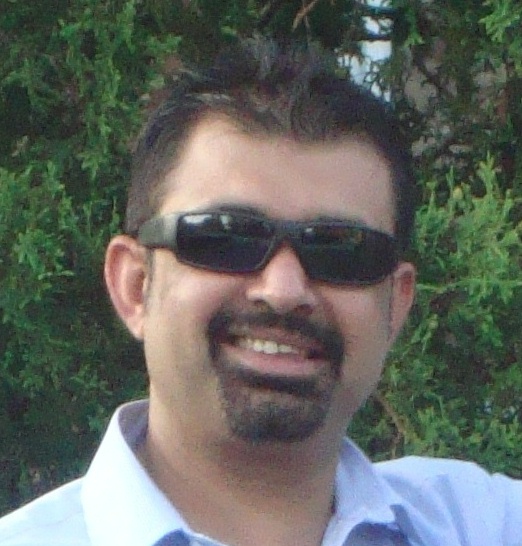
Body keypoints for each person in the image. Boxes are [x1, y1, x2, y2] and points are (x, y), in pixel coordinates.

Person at [1, 38, 521, 546]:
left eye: (339, 249)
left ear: (396, 305)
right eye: (226, 236)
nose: (283, 290)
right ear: (135, 285)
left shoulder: (480, 525)